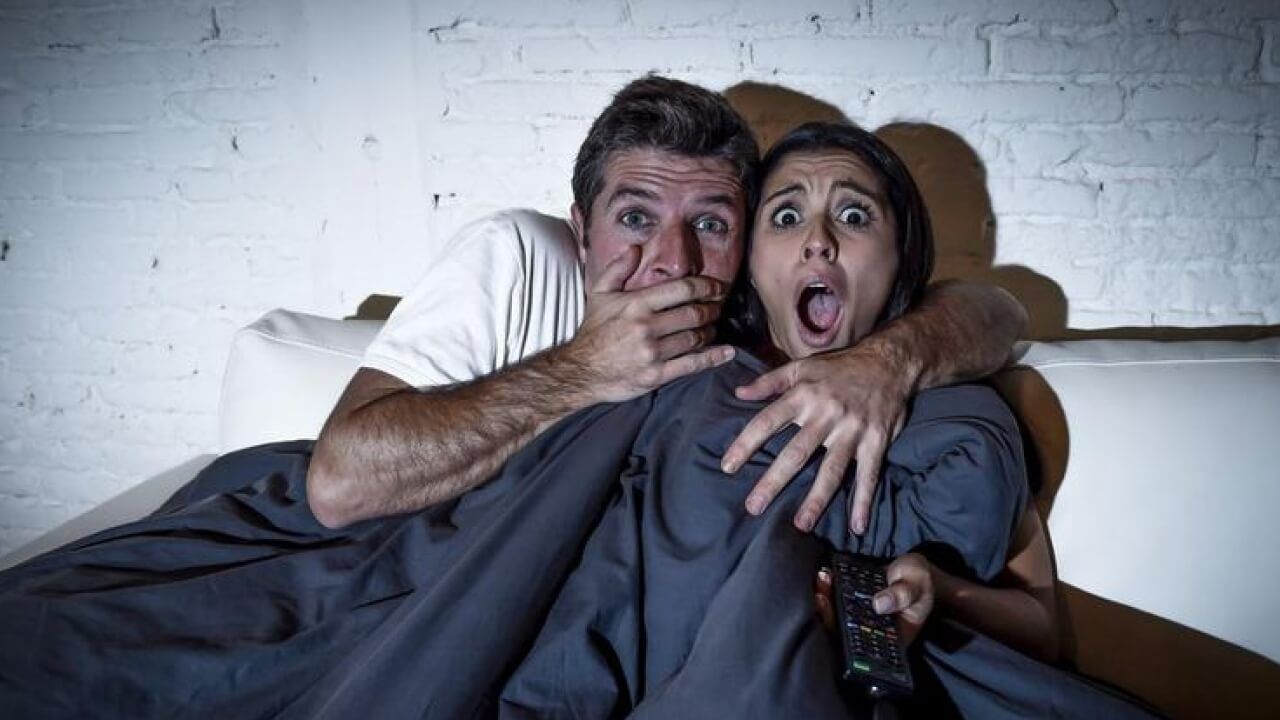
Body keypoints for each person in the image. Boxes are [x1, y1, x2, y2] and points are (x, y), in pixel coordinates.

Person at [306, 74, 1028, 537]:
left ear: (744, 247)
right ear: (580, 231)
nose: (674, 261)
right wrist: (581, 371)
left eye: (710, 224)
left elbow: (998, 312)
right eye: (635, 218)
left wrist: (889, 361)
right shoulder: (520, 256)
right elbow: (339, 484)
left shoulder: (750, 334)